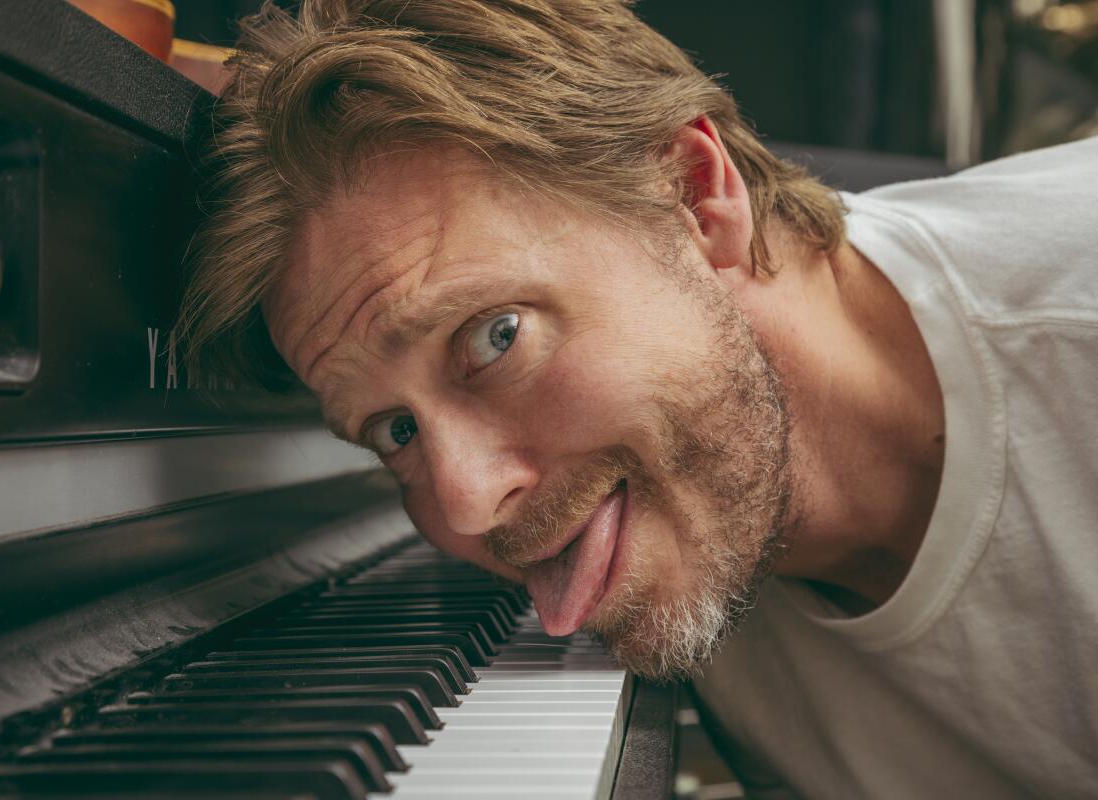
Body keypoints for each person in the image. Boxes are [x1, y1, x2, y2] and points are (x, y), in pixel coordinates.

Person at [177, 1, 1098, 796]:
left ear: (696, 197)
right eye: (396, 431)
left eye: (494, 338)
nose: (463, 501)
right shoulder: (707, 485)